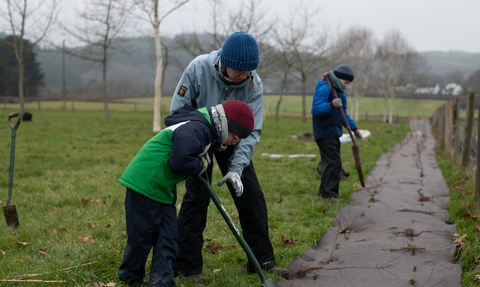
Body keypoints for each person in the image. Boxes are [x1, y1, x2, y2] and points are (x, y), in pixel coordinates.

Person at [170, 31, 289, 283]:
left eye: (250, 72)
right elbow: (178, 110)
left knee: (251, 195)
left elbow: (252, 131)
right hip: (198, 135)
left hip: (234, 138)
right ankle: (187, 266)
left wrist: (236, 169)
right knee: (197, 197)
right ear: (226, 63)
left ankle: (262, 260)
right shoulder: (198, 68)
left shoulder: (253, 83)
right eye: (241, 72)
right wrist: (194, 148)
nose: (246, 76)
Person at [117, 100, 255, 287]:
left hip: (163, 187)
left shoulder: (206, 131)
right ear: (225, 125)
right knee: (143, 234)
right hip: (145, 182)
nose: (234, 142)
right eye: (236, 136)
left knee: (169, 236)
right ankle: (130, 277)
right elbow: (179, 161)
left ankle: (162, 282)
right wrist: (200, 165)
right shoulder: (197, 128)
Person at [311, 64, 363, 199]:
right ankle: (328, 195)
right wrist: (331, 105)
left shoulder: (340, 92)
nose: (346, 86)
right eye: (346, 82)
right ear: (339, 78)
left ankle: (325, 192)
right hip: (324, 132)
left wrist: (354, 129)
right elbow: (316, 109)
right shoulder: (325, 88)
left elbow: (343, 114)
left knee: (331, 162)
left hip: (334, 132)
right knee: (333, 163)